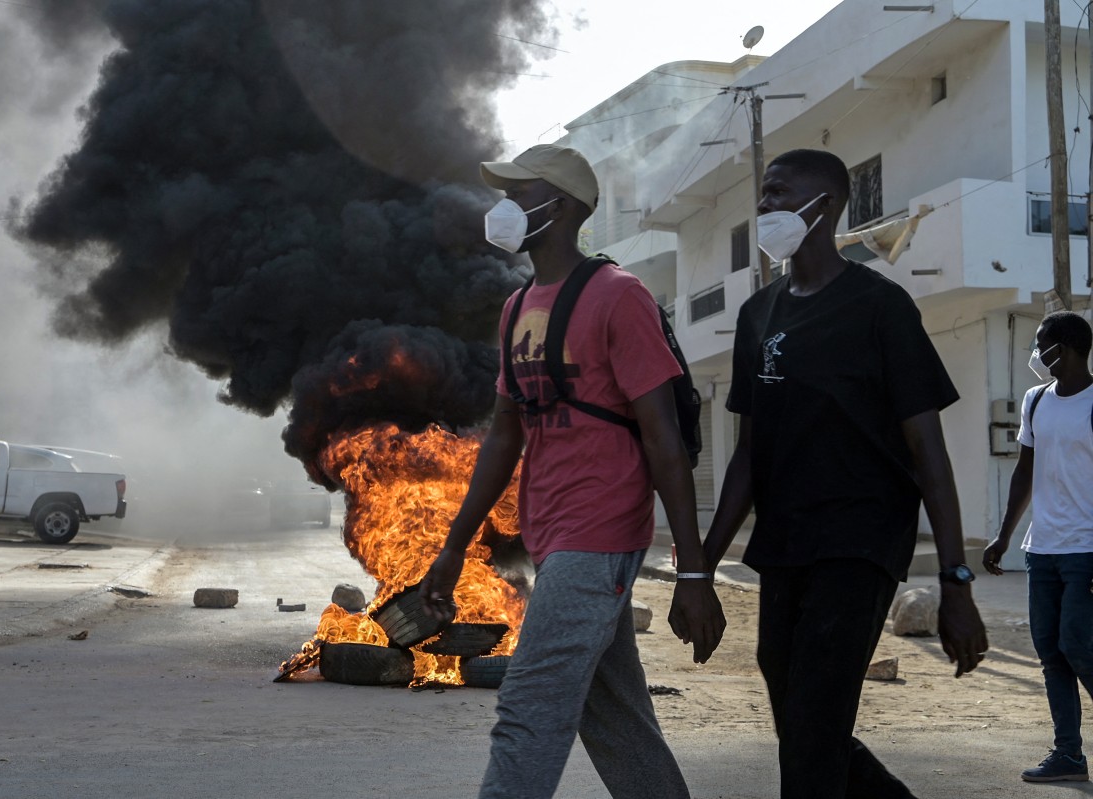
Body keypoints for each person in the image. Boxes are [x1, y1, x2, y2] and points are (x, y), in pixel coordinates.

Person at [418, 142, 726, 799]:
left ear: (559, 206)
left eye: (517, 192)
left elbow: (663, 439)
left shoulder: (620, 296)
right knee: (614, 716)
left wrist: (693, 571)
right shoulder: (516, 307)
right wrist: (454, 544)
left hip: (601, 529)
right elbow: (505, 435)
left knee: (527, 707)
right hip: (552, 536)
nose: (503, 206)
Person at [701, 148, 987, 799]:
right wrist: (700, 568)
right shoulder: (758, 314)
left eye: (777, 194)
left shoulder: (880, 307)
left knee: (813, 726)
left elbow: (929, 453)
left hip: (861, 543)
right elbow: (747, 453)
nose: (765, 207)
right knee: (807, 729)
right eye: (764, 195)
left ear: (821, 206)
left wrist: (956, 582)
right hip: (784, 545)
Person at [984, 311, 1093, 783]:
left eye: (1040, 345)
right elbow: (1024, 471)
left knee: (1077, 643)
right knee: (1050, 651)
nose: (1035, 353)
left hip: (1086, 548)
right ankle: (1068, 754)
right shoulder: (1034, 401)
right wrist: (1005, 534)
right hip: (1041, 549)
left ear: (1064, 350)